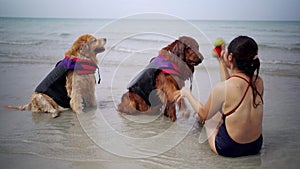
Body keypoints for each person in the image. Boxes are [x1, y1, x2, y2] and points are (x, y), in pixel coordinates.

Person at [175, 36, 264, 157]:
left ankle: (199, 125)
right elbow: (233, 89)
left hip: (229, 148)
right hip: (255, 146)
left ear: (231, 57)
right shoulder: (259, 82)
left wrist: (187, 93)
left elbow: (203, 114)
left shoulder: (222, 88)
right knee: (221, 111)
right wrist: (222, 61)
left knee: (206, 116)